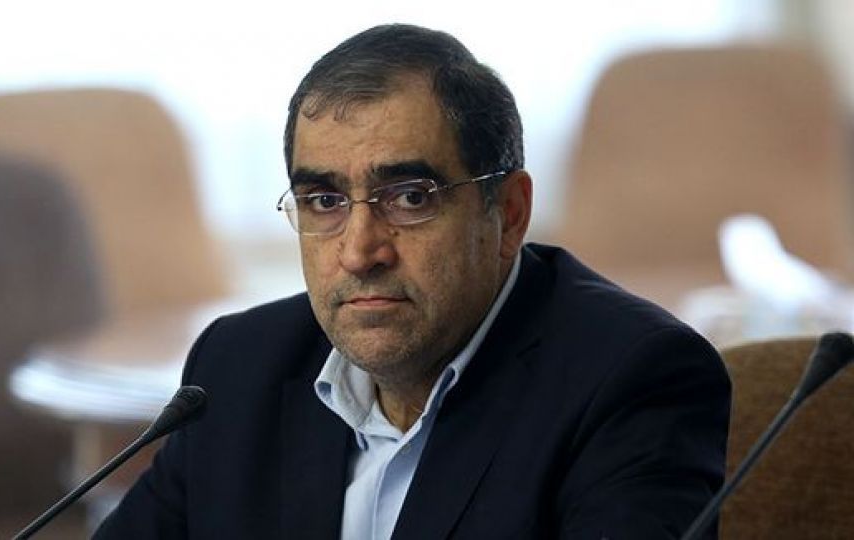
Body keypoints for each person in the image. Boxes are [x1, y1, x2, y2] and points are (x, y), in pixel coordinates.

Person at [94, 23, 730, 539]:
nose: (359, 252)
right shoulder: (238, 369)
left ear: (508, 214)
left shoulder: (632, 379)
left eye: (410, 197)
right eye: (324, 202)